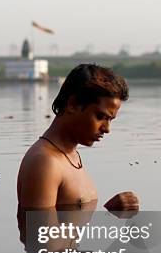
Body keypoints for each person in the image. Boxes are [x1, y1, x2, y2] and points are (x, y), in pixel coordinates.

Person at [17, 64, 139, 211]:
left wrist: (109, 209)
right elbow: (40, 233)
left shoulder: (70, 156)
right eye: (100, 116)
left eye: (110, 120)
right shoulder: (45, 163)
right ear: (73, 104)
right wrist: (109, 216)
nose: (107, 129)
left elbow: (72, 225)